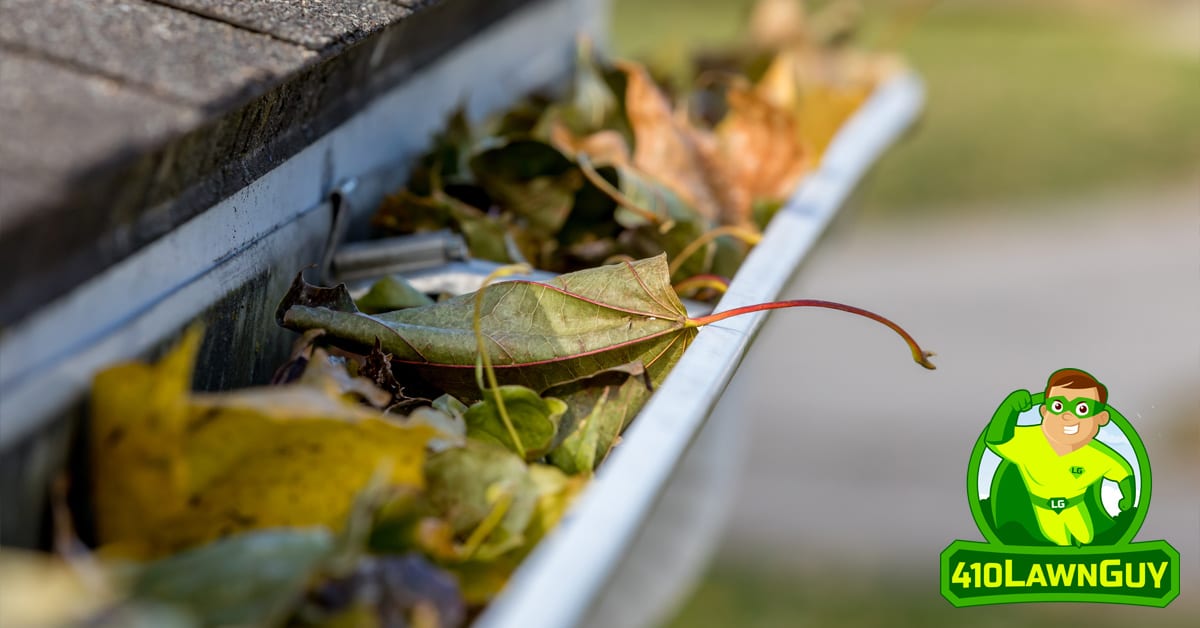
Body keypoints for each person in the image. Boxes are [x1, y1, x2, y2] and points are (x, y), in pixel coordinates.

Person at [985, 368, 1134, 546]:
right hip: (1043, 508)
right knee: (1060, 542)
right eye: (1058, 406)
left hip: (1075, 507)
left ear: (1101, 418)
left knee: (1086, 538)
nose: (1068, 415)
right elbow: (996, 439)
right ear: (1044, 411)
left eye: (1082, 408)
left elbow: (1123, 472)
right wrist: (1009, 409)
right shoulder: (1028, 441)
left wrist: (1128, 496)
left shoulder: (1097, 455)